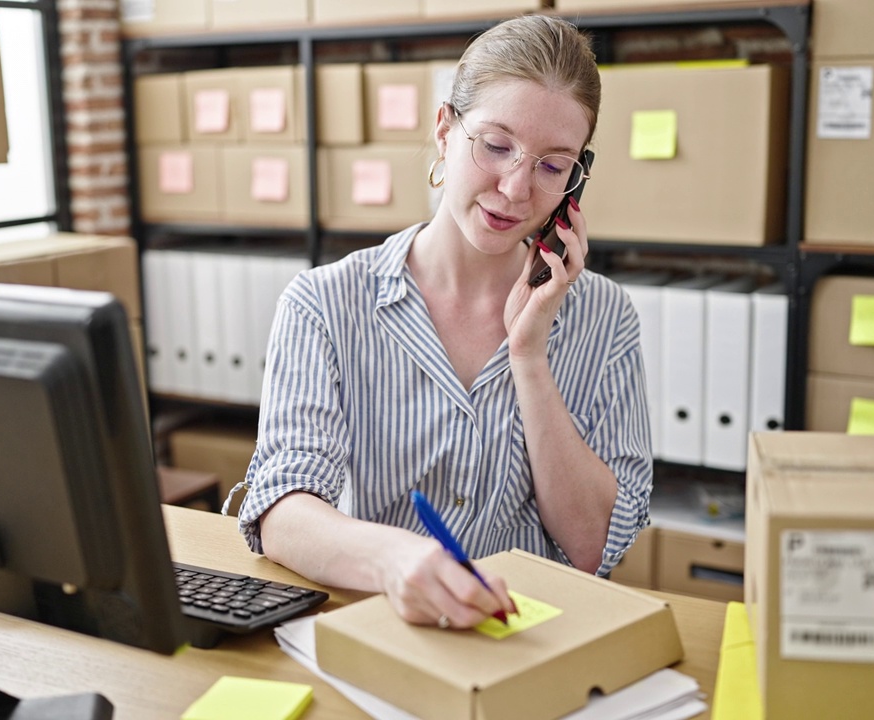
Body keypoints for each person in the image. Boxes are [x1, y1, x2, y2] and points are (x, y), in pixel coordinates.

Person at [234, 14, 652, 630]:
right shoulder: (324, 304)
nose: (514, 188)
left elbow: (595, 546)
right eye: (496, 145)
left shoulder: (606, 319)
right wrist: (397, 559)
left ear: (575, 180)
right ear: (445, 131)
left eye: (551, 165)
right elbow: (281, 508)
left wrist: (529, 359)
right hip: (383, 633)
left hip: (532, 645)